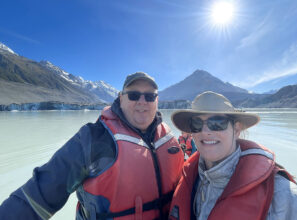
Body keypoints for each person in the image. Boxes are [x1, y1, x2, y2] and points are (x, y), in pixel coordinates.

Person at [0, 72, 184, 220]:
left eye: (150, 96)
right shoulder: (93, 138)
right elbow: (38, 195)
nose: (142, 102)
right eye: (134, 95)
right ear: (120, 98)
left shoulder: (169, 139)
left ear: (157, 101)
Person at [168, 91, 297, 220]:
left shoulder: (282, 195)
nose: (205, 131)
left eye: (217, 123)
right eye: (197, 124)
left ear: (236, 130)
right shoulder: (191, 177)